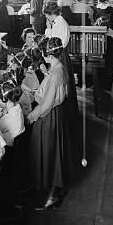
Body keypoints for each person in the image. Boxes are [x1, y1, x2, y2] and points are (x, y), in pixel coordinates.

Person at [27, 37, 72, 210]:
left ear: (47, 54)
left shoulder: (55, 75)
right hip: (57, 115)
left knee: (49, 152)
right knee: (54, 152)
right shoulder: (59, 68)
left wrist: (30, 116)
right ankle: (52, 189)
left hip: (49, 116)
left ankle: (52, 194)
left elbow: (46, 105)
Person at [45, 5, 78, 115]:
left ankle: (63, 111)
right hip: (62, 53)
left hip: (60, 54)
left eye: (46, 15)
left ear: (51, 15)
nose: (46, 18)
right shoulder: (60, 21)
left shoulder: (59, 24)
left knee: (61, 82)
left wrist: (48, 28)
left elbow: (52, 42)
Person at [0, 81, 25, 147]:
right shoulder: (17, 107)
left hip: (9, 150)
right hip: (17, 144)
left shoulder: (9, 118)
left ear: (5, 99)